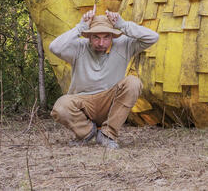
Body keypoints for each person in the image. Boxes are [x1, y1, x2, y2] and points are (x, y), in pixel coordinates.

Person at [48, 9, 158, 148]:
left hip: (110, 102)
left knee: (133, 82)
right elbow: (54, 47)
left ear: (112, 36)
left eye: (106, 37)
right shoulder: (79, 48)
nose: (101, 43)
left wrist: (123, 25)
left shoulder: (124, 45)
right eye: (96, 37)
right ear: (88, 36)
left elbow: (153, 37)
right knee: (61, 106)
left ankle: (107, 134)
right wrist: (80, 27)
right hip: (83, 104)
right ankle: (86, 132)